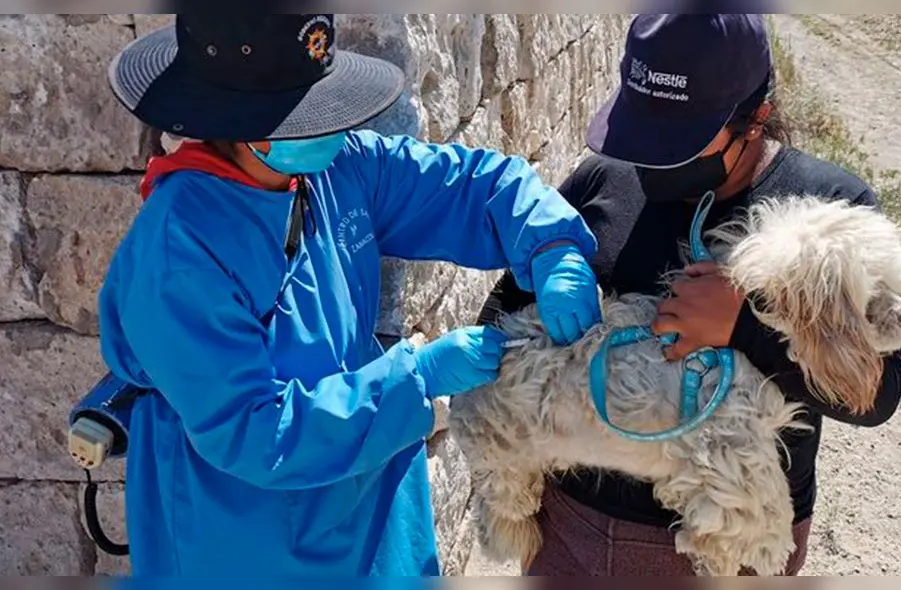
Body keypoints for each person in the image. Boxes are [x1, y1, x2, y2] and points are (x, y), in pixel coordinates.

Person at [95, 13, 601, 576]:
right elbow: (255, 431)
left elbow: (469, 186)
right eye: (306, 115)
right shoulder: (178, 251)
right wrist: (419, 376)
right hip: (245, 533)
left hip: (367, 502)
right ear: (242, 126)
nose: (329, 129)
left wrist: (552, 244)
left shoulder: (333, 168)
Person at [477, 14, 901, 576]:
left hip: (727, 538)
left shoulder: (830, 215)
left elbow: (879, 397)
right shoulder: (604, 180)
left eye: (677, 138)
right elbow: (503, 314)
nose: (652, 159)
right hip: (572, 525)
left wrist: (744, 329)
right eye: (643, 129)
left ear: (755, 119)